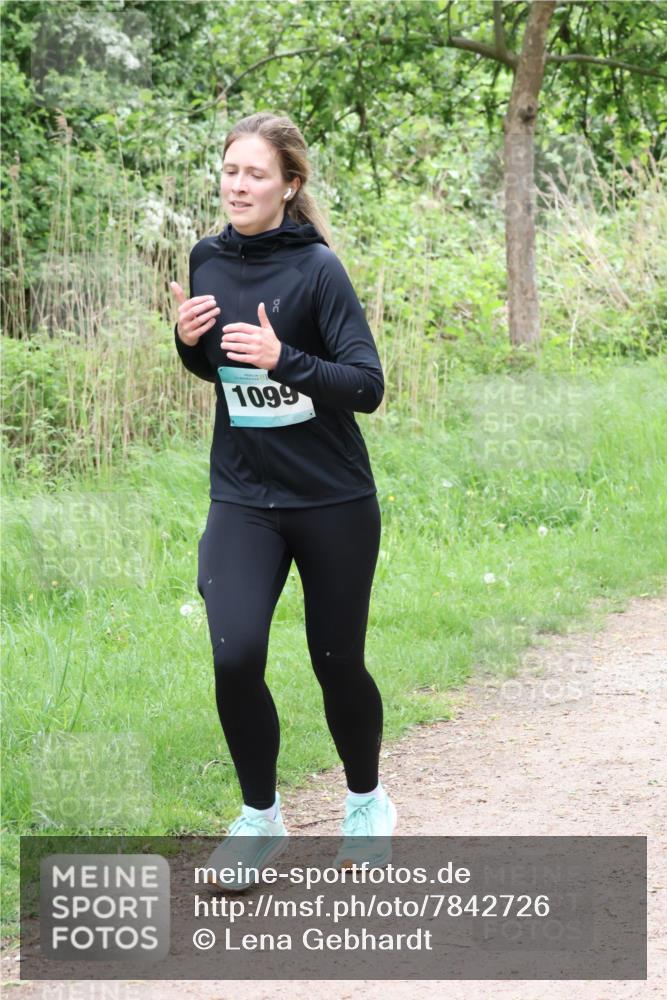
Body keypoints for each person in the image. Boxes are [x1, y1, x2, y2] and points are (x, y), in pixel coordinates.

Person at [170, 112, 396, 889]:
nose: (238, 184)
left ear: (289, 185)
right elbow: (219, 371)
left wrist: (285, 357)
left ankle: (365, 803)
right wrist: (186, 337)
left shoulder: (317, 270)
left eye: (255, 173)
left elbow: (365, 386)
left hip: (331, 497)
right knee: (235, 655)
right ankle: (260, 819)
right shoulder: (205, 258)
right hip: (242, 495)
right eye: (230, 170)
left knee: (336, 662)